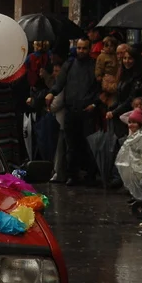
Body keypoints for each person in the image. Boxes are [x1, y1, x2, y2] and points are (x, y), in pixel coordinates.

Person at [46, 38, 100, 186]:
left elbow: (99, 87)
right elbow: (60, 82)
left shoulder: (94, 65)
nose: (81, 51)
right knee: (71, 145)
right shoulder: (69, 64)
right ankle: (72, 174)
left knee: (88, 144)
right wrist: (51, 93)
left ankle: (90, 174)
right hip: (71, 109)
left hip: (87, 110)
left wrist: (94, 104)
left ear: (89, 49)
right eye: (79, 48)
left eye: (84, 48)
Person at [107, 45, 142, 135]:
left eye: (130, 58)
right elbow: (120, 95)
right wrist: (113, 109)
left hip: (130, 116)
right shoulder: (124, 74)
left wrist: (114, 112)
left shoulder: (139, 76)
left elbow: (131, 98)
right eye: (125, 58)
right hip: (119, 113)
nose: (126, 61)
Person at [96, 35, 120, 109]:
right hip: (106, 77)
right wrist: (99, 76)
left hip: (115, 77)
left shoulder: (116, 55)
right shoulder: (102, 56)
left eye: (111, 46)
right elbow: (99, 67)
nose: (109, 48)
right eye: (106, 45)